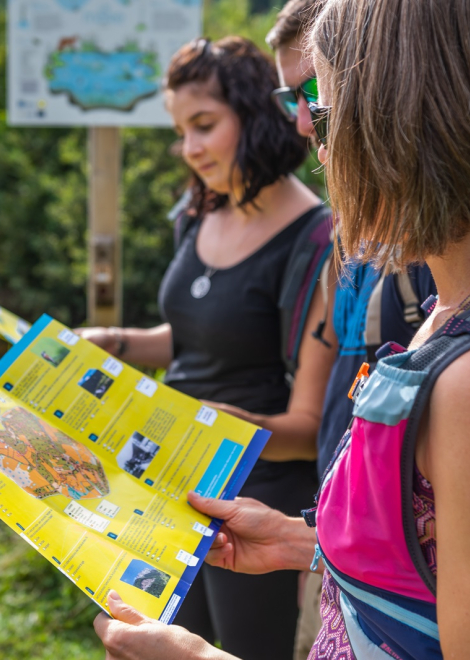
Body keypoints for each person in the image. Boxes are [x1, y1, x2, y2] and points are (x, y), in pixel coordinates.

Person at [93, 0, 470, 657]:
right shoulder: (454, 313)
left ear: (400, 112)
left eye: (318, 101)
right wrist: (304, 541)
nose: (307, 134)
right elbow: (433, 559)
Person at [78, 36, 337, 659]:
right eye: (180, 130)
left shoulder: (319, 241)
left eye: (204, 125)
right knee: (145, 640)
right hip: (164, 473)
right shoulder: (196, 212)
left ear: (255, 114)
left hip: (253, 494)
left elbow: (306, 426)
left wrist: (205, 425)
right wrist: (111, 344)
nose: (189, 149)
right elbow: (195, 335)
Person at [266, 1, 437, 657]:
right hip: (345, 534)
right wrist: (307, 538)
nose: (305, 119)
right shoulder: (349, 230)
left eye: (315, 90)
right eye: (290, 98)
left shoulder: (443, 256)